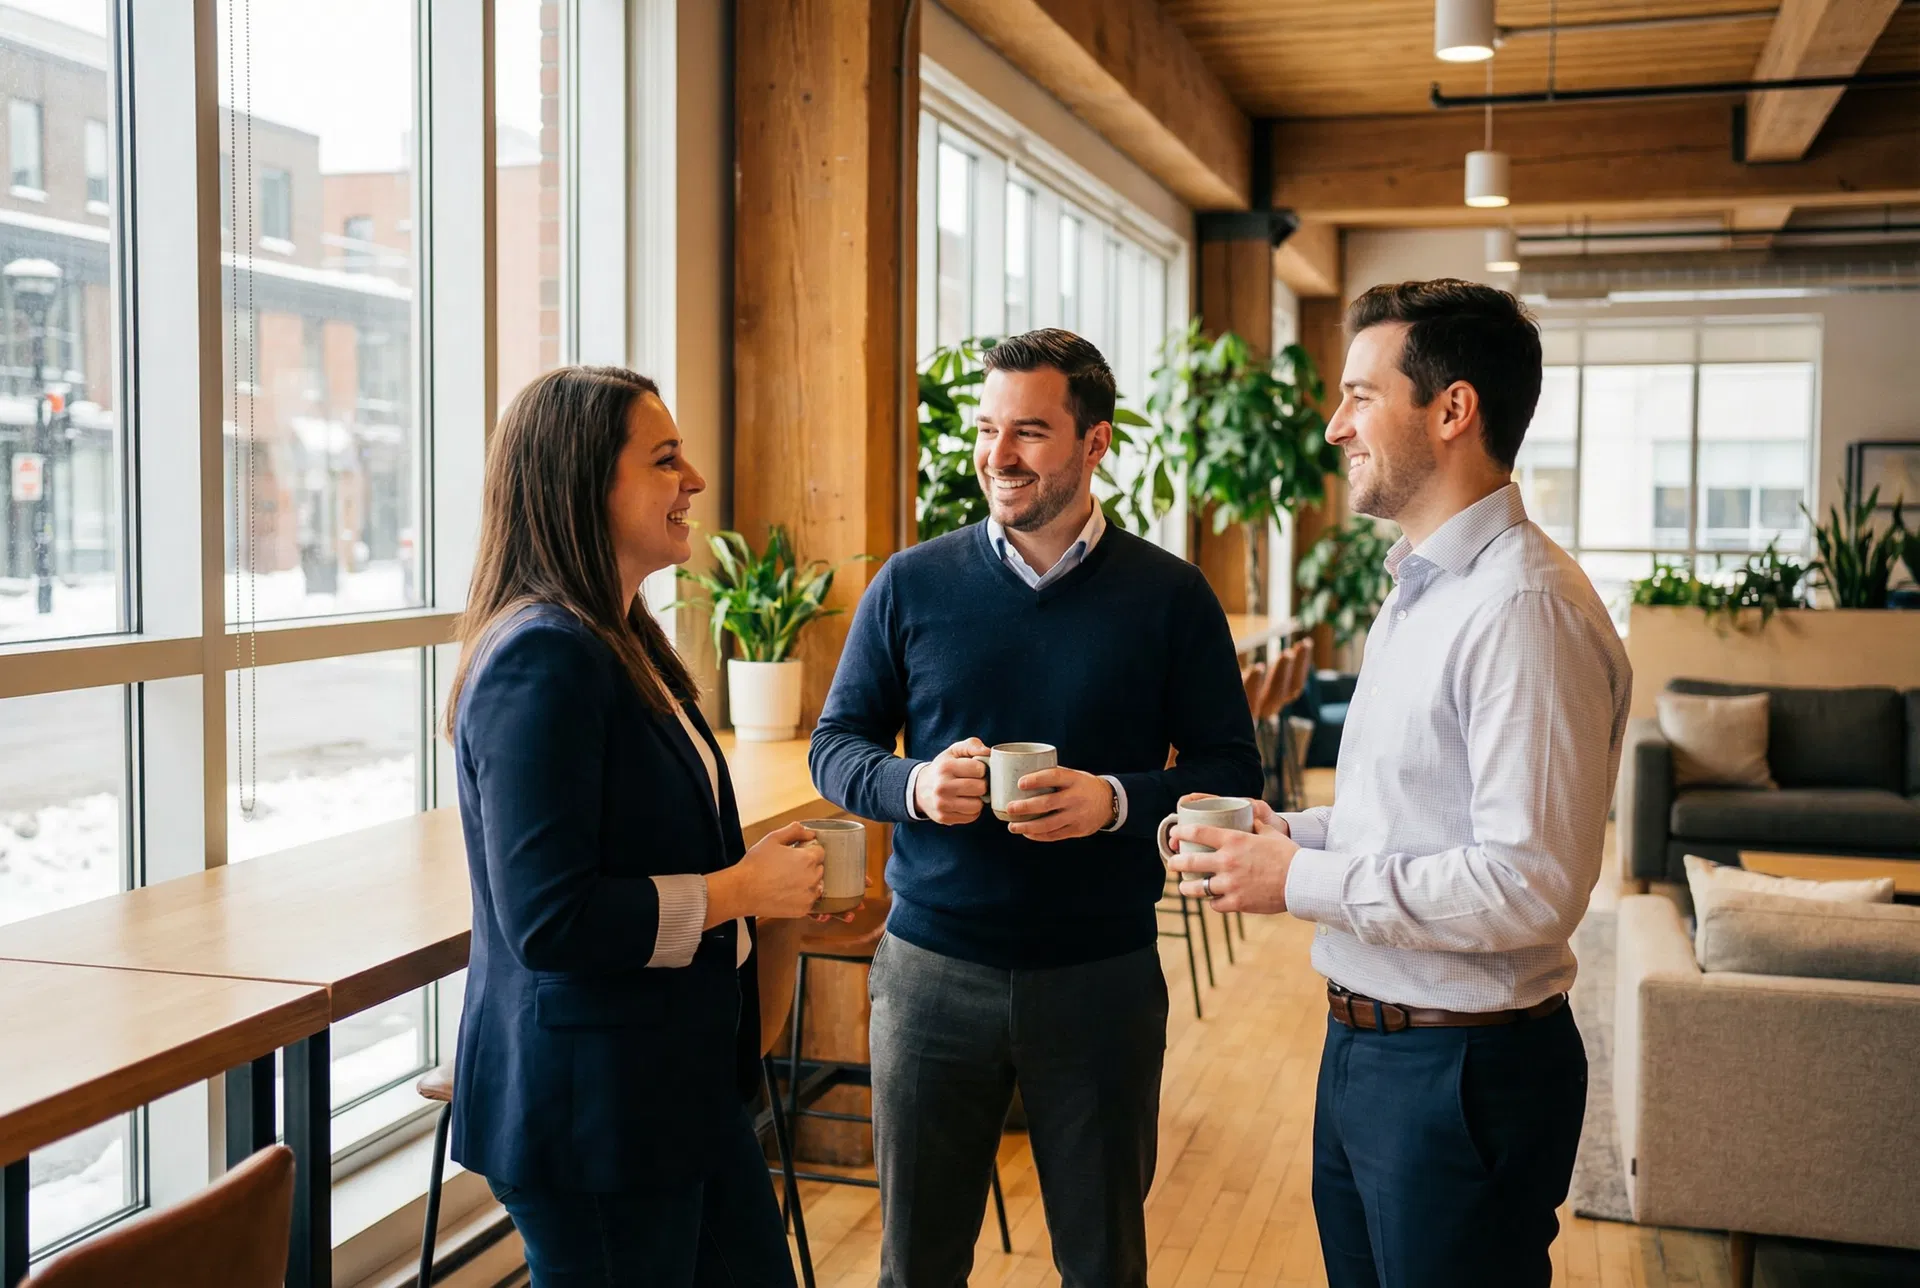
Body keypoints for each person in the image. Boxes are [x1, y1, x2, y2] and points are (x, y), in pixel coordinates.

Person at [1165, 280, 1631, 1288]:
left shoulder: (1522, 610)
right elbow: (1412, 814)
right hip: (1375, 1048)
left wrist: (1292, 881)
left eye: (1359, 396)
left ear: (1452, 409)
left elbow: (1530, 884)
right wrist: (1289, 832)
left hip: (1461, 1075)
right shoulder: (1421, 587)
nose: (1336, 427)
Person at [810, 329, 1263, 1288]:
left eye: (1030, 433)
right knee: (916, 1266)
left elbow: (1234, 772)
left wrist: (1113, 803)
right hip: (931, 972)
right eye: (987, 430)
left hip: (1100, 977)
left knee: (1103, 1264)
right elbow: (835, 744)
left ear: (1095, 444)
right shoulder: (910, 584)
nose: (997, 457)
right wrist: (914, 787)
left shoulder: (1171, 598)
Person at [444, 364, 826, 1287]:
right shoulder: (542, 656)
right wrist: (740, 893)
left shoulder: (623, 637)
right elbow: (552, 922)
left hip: (668, 1090)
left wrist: (771, 908)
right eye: (665, 459)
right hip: (595, 1117)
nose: (693, 479)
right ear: (585, 483)